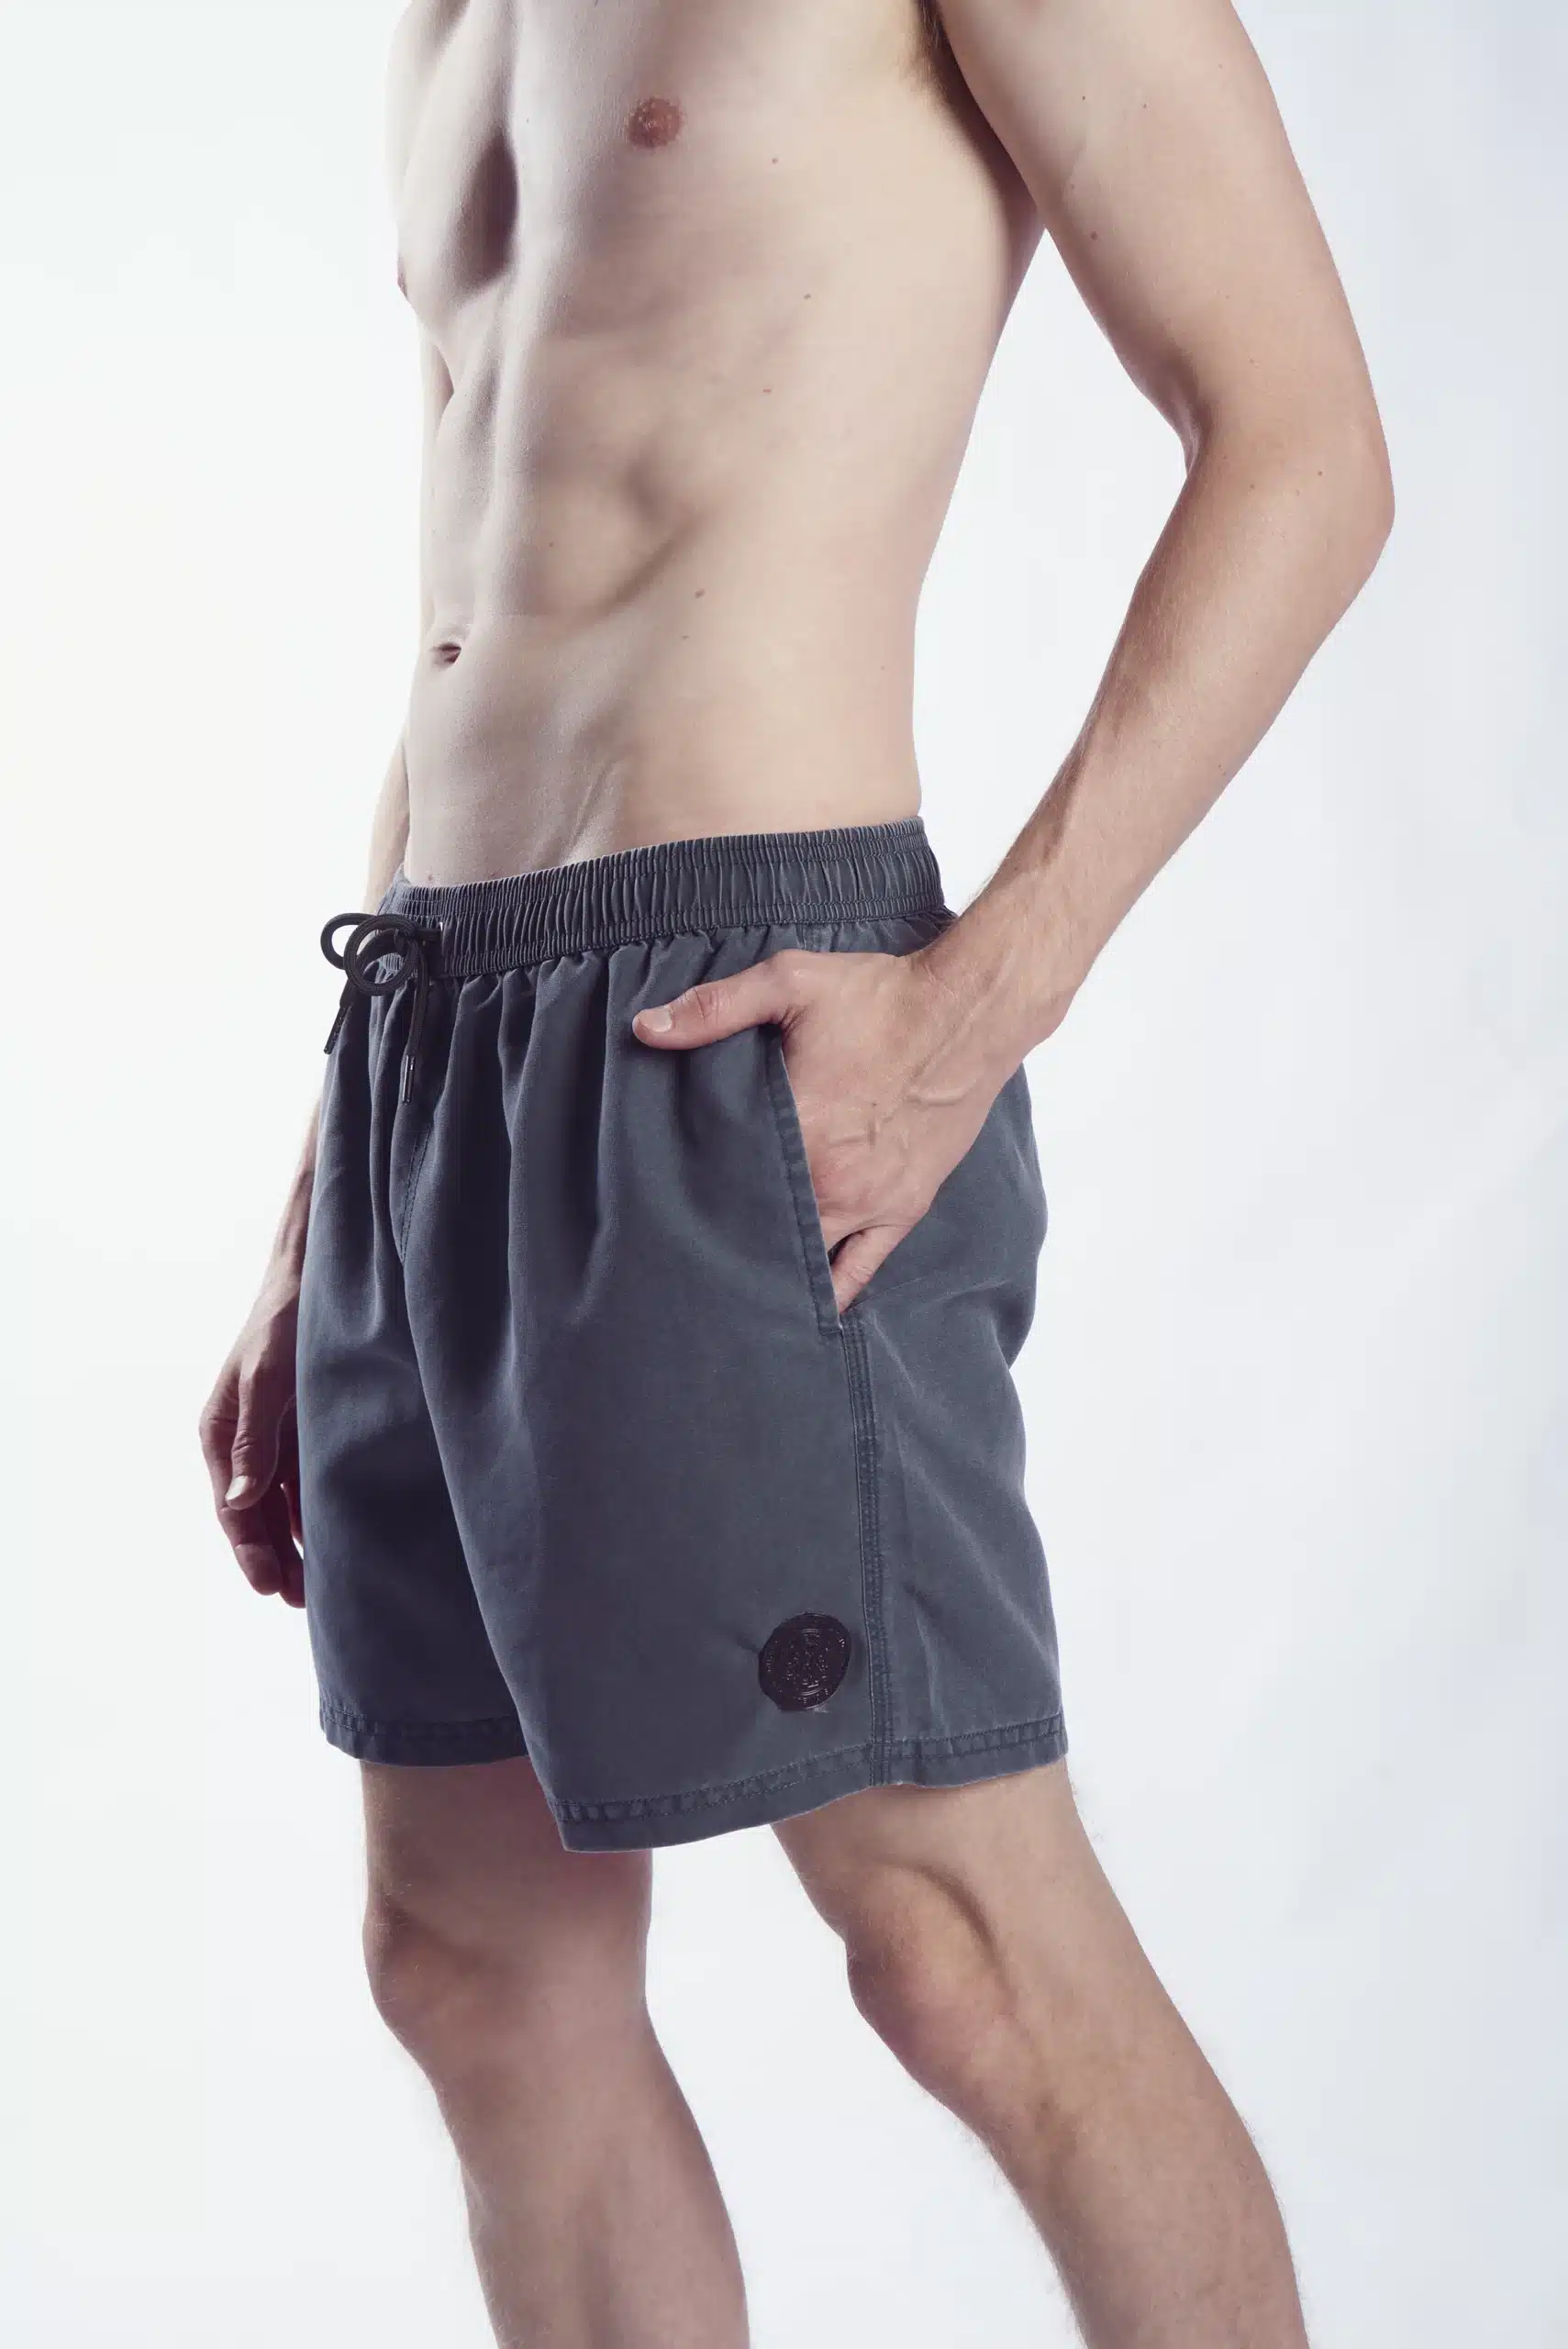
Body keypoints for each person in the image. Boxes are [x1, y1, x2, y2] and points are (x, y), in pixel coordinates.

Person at [199, 2, 1391, 2342]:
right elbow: (466, 592)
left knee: (953, 1940)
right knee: (467, 1958)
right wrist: (322, 1186)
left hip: (728, 1006)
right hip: (432, 1017)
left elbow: (1303, 445)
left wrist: (980, 995)